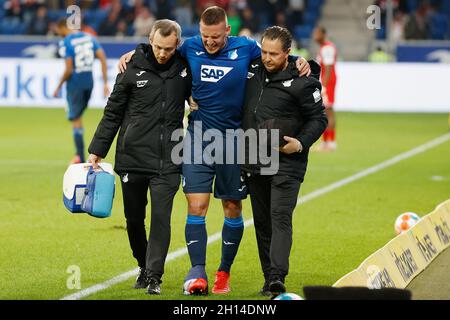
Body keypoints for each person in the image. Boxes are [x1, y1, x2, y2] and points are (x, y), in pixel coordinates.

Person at [118, 6, 311, 296]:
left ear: (228, 31)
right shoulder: (190, 47)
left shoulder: (246, 48)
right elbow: (162, 50)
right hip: (198, 137)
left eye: (216, 37)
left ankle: (223, 272)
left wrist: (299, 60)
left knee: (232, 208)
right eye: (206, 36)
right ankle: (197, 273)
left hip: (236, 141)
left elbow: (275, 56)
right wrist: (135, 53)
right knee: (196, 205)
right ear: (199, 32)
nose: (210, 42)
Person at [87, 20, 192, 295]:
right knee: (134, 220)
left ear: (177, 45)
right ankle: (143, 265)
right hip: (132, 156)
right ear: (150, 40)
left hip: (169, 159)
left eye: (169, 49)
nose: (162, 53)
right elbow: (113, 112)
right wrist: (97, 149)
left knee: (161, 217)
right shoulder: (130, 67)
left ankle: (154, 275)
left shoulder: (185, 67)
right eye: (158, 47)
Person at [241, 26, 327, 296]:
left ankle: (277, 276)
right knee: (262, 221)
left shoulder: (303, 81)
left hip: (287, 160)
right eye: (264, 51)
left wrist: (300, 143)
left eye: (273, 54)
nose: (267, 58)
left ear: (288, 53)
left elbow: (319, 119)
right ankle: (268, 278)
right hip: (254, 158)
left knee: (279, 217)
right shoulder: (251, 69)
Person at [53, 18, 109, 164]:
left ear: (62, 28)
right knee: (78, 117)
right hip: (89, 83)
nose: (58, 35)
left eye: (58, 32)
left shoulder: (66, 42)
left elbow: (69, 69)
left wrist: (58, 86)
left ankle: (80, 157)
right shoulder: (89, 37)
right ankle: (79, 154)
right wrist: (105, 83)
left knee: (76, 120)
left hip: (75, 84)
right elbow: (102, 58)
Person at [313, 26, 338, 152]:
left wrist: (324, 87)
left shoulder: (327, 48)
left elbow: (328, 69)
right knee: (325, 112)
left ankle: (331, 143)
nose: (314, 36)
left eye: (316, 33)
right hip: (328, 83)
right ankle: (326, 142)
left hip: (328, 84)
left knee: (328, 111)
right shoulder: (324, 47)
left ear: (323, 34)